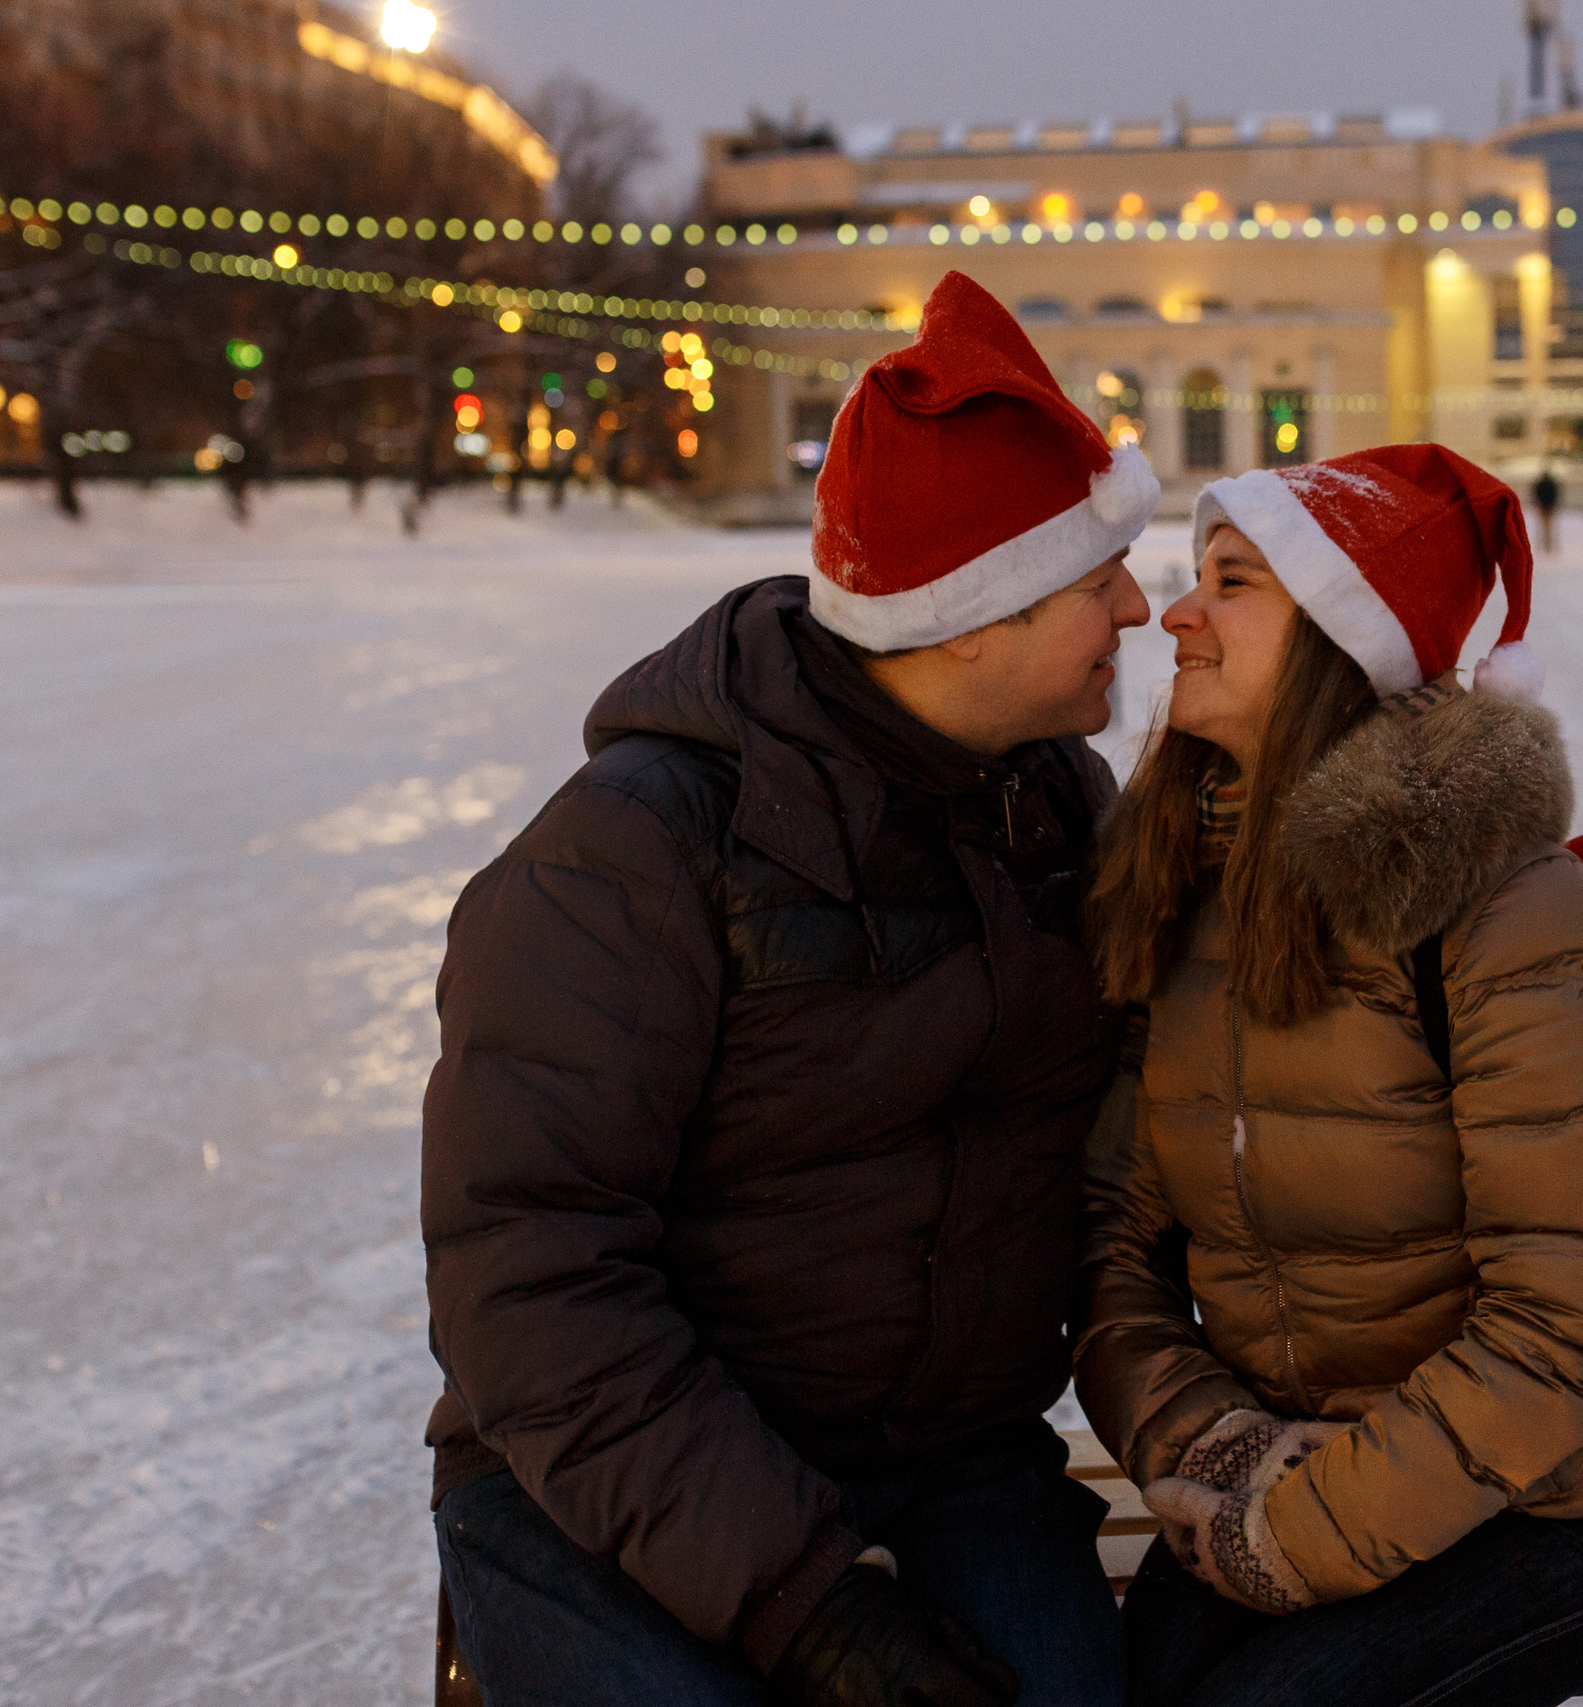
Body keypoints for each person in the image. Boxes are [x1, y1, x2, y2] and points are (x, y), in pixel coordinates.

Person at [421, 272, 1156, 1707]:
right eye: (1094, 580)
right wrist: (813, 1608)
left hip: (948, 1465)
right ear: (968, 619)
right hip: (610, 1476)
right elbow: (531, 1276)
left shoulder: (1056, 808)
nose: (1139, 603)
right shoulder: (632, 852)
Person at [1079, 445, 1583, 1707]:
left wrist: (1297, 1538)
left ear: (1339, 643)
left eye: (1232, 582)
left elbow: (1563, 1324)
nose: (1176, 613)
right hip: (1282, 1477)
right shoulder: (1180, 888)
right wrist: (1214, 1442)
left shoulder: (1514, 913)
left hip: (1555, 1505)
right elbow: (1110, 1246)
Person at [1530, 462, 1562, 555]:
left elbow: (1536, 494)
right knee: (1548, 527)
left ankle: (1546, 545)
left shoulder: (1540, 483)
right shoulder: (1551, 483)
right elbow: (1555, 494)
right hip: (1549, 506)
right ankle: (1547, 545)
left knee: (1544, 527)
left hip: (1543, 506)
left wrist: (1538, 503)